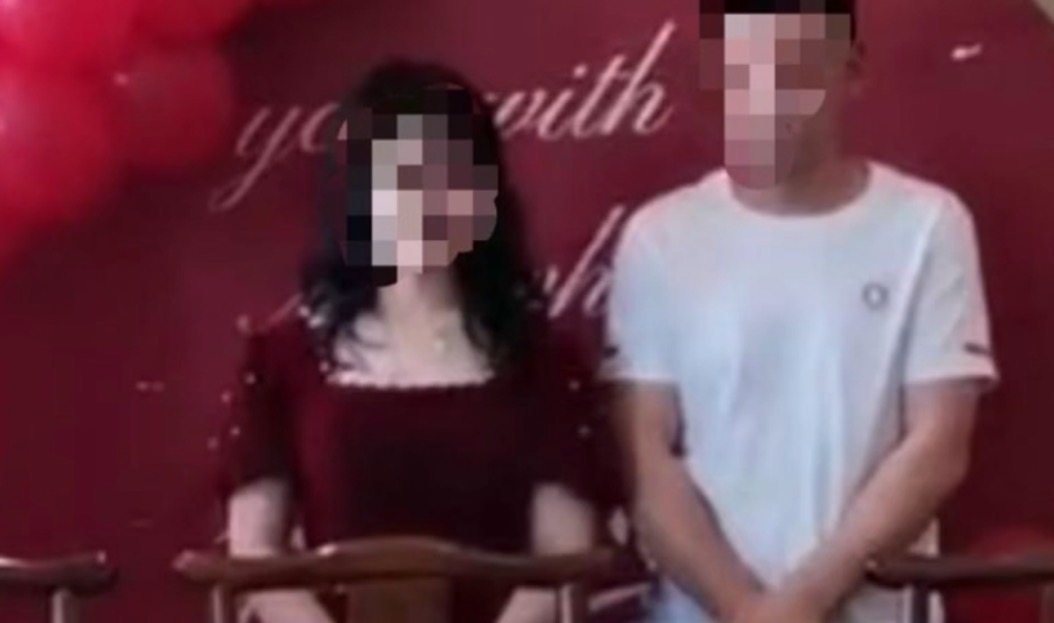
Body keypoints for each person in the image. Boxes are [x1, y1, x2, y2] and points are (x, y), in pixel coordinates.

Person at [605, 1, 998, 622]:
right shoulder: (659, 238)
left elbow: (938, 446)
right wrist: (745, 609)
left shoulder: (928, 224)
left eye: (796, 64)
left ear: (851, 70)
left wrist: (802, 601)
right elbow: (648, 463)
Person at [218, 59, 608, 623]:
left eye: (448, 175)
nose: (423, 200)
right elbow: (255, 555)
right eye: (398, 177)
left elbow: (563, 561)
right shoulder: (283, 359)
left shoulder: (545, 361)